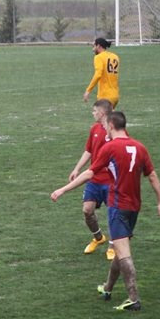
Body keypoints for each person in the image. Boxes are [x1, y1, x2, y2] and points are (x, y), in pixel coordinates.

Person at [51, 111, 160, 312]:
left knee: (123, 252)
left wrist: (62, 189)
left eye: (107, 125)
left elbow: (90, 173)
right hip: (134, 206)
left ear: (112, 125)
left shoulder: (111, 147)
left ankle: (133, 297)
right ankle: (107, 288)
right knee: (120, 249)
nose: (105, 128)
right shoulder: (140, 147)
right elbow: (152, 176)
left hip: (117, 205)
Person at [68, 99, 116, 261]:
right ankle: (98, 238)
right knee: (87, 210)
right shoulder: (94, 129)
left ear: (102, 113)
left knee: (112, 214)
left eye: (95, 111)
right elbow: (89, 150)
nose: (93, 114)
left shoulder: (114, 130)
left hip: (110, 181)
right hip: (94, 178)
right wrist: (77, 168)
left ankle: (112, 245)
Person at [83, 37, 120, 107]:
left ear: (98, 46)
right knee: (110, 117)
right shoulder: (115, 57)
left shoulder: (98, 57)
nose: (93, 49)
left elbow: (98, 74)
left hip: (105, 96)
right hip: (115, 95)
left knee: (101, 117)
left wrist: (88, 90)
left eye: (94, 46)